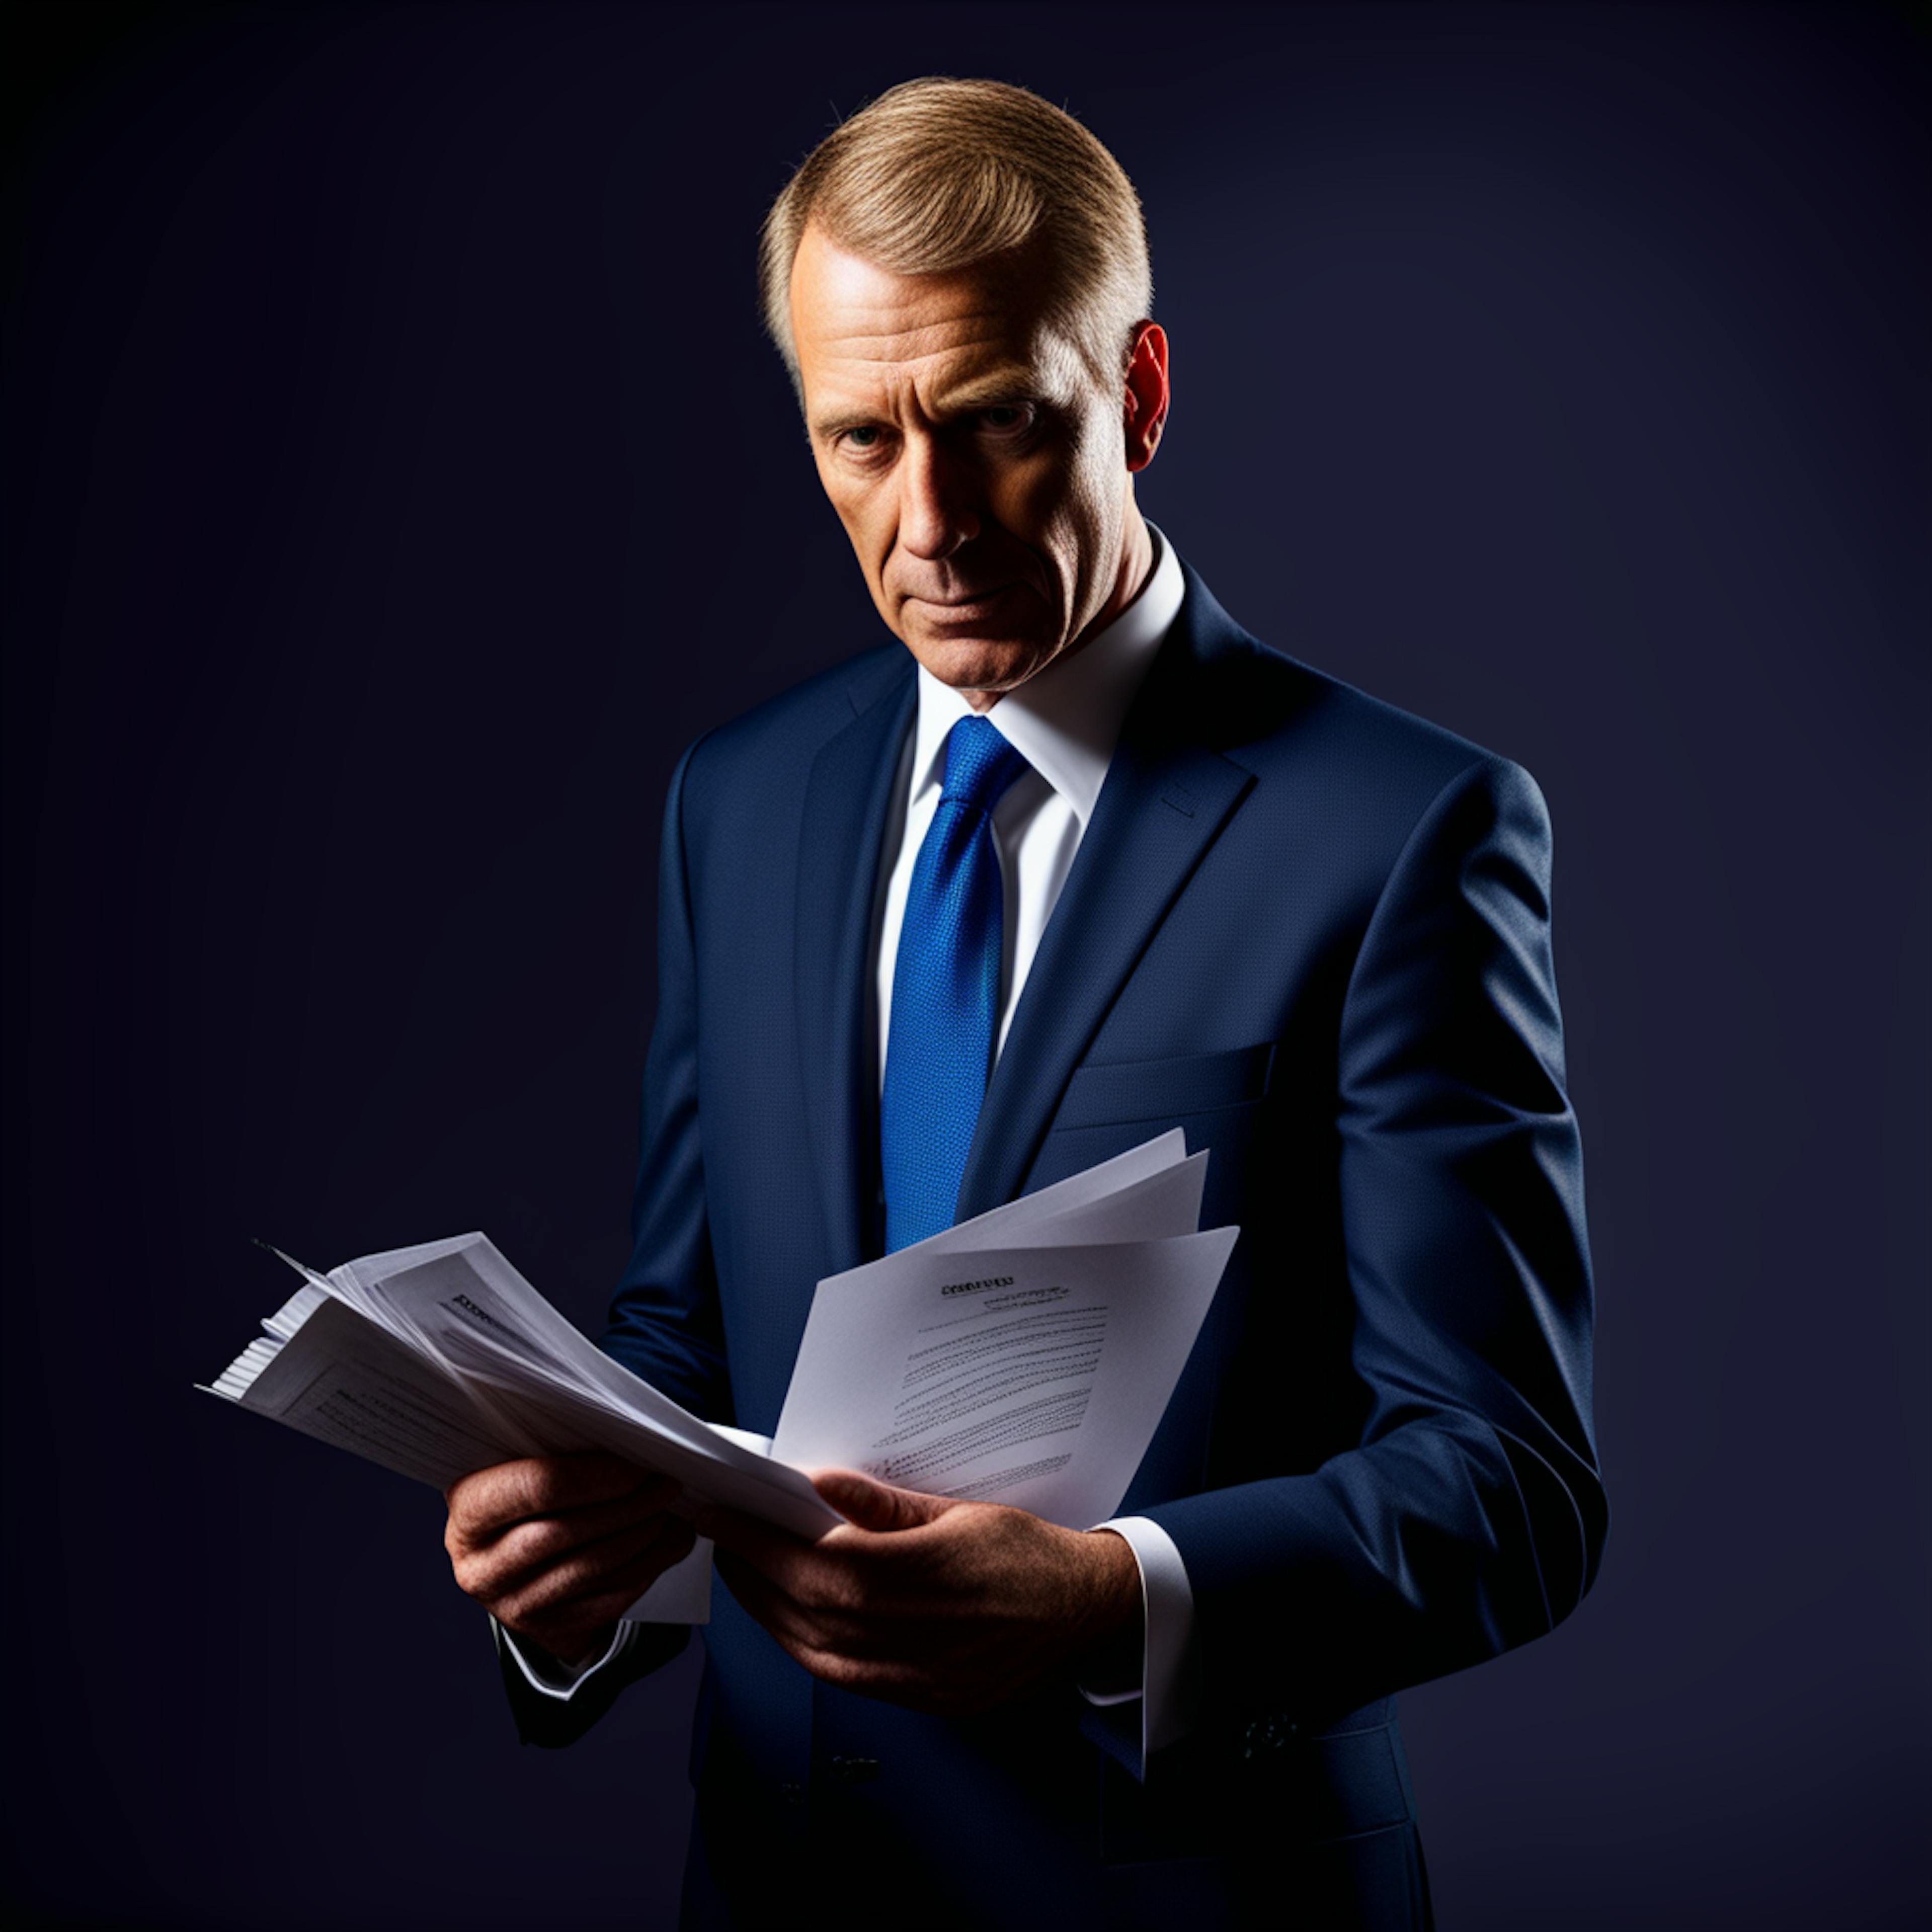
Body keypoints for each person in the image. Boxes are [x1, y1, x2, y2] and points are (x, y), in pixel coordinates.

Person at [440, 77, 1605, 1930]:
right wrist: (588, 1564)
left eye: (995, 424)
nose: (929, 523)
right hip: (780, 1885)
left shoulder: (1406, 829)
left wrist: (1113, 1596)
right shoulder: (736, 802)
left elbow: (1509, 1488)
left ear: (1137, 394)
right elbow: (688, 1338)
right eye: (858, 440)